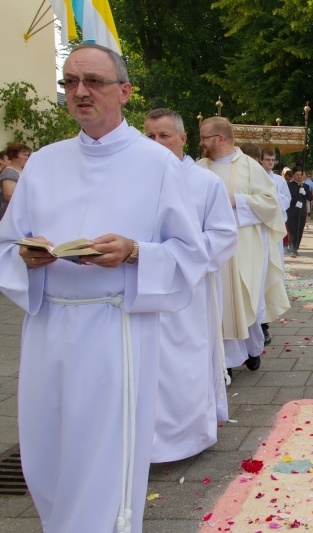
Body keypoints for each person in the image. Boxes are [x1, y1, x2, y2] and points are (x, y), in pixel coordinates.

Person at [0, 43, 208, 533]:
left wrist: (136, 252)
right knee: (47, 451)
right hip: (48, 325)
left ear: (125, 91)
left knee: (102, 457)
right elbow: (7, 244)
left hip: (116, 330)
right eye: (70, 82)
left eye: (93, 81)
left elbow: (190, 254)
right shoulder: (45, 163)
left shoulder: (157, 164)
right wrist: (25, 257)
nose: (80, 92)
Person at [143, 108, 238, 460]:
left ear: (182, 139)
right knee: (148, 364)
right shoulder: (136, 180)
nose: (156, 143)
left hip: (189, 291)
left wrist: (181, 260)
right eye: (149, 136)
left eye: (164, 135)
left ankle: (188, 436)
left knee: (185, 362)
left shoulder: (204, 182)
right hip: (143, 285)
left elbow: (225, 235)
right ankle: (147, 438)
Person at [197, 116, 289, 376]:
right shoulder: (199, 167)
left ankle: (251, 350)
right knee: (217, 302)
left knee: (243, 300)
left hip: (243, 250)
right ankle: (221, 362)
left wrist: (236, 200)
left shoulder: (249, 167)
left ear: (220, 139)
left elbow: (271, 203)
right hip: (210, 250)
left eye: (204, 137)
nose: (200, 142)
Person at [259, 149, 291, 344]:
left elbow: (286, 200)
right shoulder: (254, 176)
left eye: (273, 160)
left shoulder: (279, 181)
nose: (270, 163)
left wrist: (274, 199)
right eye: (267, 160)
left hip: (274, 227)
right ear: (260, 160)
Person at [0, 142, 31, 220]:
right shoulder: (9, 172)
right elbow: (9, 195)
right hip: (11, 213)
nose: (27, 158)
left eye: (27, 155)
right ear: (14, 156)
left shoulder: (24, 170)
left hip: (22, 211)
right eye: (24, 155)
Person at [286, 166, 312, 257]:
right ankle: (292, 248)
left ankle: (296, 247)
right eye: (297, 175)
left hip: (301, 212)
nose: (299, 177)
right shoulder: (289, 185)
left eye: (301, 175)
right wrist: (294, 203)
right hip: (292, 211)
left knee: (300, 230)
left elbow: (310, 198)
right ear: (293, 175)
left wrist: (304, 193)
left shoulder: (306, 186)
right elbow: (287, 197)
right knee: (293, 229)